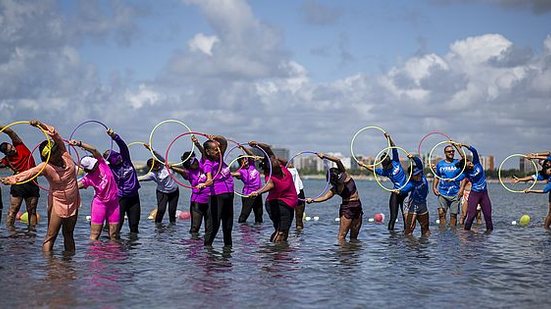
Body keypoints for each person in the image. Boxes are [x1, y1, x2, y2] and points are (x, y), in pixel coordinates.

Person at [0, 121, 80, 252]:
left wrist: (40, 124)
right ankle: (49, 269)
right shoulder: (45, 167)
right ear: (47, 158)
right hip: (58, 203)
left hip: (73, 202)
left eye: (56, 150)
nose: (56, 154)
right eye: (52, 154)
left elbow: (55, 134)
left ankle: (69, 267)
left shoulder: (65, 153)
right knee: (50, 236)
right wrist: (10, 179)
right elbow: (28, 173)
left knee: (69, 234)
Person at [306, 153, 363, 241]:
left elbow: (337, 160)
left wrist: (324, 156)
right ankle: (341, 253)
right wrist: (312, 200)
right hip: (347, 208)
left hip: (358, 206)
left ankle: (353, 254)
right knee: (342, 235)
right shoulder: (335, 189)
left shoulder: (345, 174)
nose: (341, 179)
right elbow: (325, 197)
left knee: (354, 235)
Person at [249, 141, 297, 243]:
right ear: (269, 167)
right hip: (277, 204)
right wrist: (258, 192)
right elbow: (269, 186)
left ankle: (277, 252)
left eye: (274, 159)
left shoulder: (283, 167)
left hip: (288, 204)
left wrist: (256, 144)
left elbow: (267, 148)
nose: (275, 160)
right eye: (272, 162)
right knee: (281, 231)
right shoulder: (270, 176)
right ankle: (276, 252)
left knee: (283, 230)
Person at [70, 140, 120, 240]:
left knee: (114, 235)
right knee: (95, 235)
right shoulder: (88, 178)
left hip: (114, 204)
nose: (96, 167)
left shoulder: (102, 163)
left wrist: (79, 144)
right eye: (93, 167)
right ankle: (95, 255)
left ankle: (114, 255)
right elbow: (74, 186)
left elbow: (94, 150)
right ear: (88, 170)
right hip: (100, 205)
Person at [360, 133, 407, 231]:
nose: (387, 168)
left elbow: (394, 147)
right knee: (393, 217)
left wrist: (389, 138)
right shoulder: (385, 171)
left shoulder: (396, 161)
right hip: (395, 192)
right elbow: (373, 170)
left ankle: (407, 236)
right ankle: (391, 239)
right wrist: (363, 165)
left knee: (405, 216)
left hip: (405, 192)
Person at [0, 124, 41, 229]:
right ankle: (10, 231)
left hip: (32, 182)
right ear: (6, 153)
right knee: (13, 210)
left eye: (12, 147)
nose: (13, 150)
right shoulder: (6, 160)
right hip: (18, 184)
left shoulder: (19, 145)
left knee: (32, 210)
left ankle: (32, 234)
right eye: (10, 151)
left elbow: (10, 132)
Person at [103, 129, 141, 235]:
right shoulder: (109, 169)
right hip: (120, 198)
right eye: (115, 159)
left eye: (118, 157)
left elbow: (123, 145)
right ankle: (114, 249)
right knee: (117, 226)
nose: (119, 159)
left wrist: (114, 136)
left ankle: (133, 250)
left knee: (134, 226)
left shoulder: (126, 160)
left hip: (134, 197)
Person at [171, 140, 212, 236]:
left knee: (209, 228)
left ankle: (207, 250)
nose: (195, 162)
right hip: (197, 202)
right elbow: (181, 171)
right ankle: (193, 248)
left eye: (195, 159)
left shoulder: (203, 165)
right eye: (192, 162)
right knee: (195, 228)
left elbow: (203, 153)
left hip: (210, 200)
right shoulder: (188, 173)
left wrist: (197, 144)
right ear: (188, 165)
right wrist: (171, 167)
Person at [201, 135, 234, 247]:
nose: (218, 151)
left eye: (219, 149)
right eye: (215, 150)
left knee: (228, 226)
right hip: (217, 196)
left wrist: (216, 137)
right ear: (208, 152)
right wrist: (206, 181)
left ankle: (227, 254)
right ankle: (207, 250)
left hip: (229, 195)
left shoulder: (220, 159)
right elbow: (209, 178)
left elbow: (224, 142)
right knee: (214, 226)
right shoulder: (208, 164)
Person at [454, 142, 493, 232]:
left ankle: (489, 235)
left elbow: (474, 151)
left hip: (484, 194)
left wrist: (464, 145)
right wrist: (448, 179)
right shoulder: (466, 173)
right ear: (465, 167)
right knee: (471, 216)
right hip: (474, 194)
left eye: (470, 162)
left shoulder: (477, 163)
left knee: (488, 216)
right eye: (468, 164)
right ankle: (466, 234)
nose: (471, 164)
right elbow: (455, 177)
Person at [138, 145, 179, 225]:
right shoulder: (152, 174)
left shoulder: (165, 165)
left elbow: (158, 155)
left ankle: (173, 230)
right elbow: (140, 178)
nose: (157, 167)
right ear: (151, 168)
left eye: (157, 165)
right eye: (154, 167)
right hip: (162, 193)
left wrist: (150, 149)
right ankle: (158, 228)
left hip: (174, 192)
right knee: (161, 210)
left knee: (172, 211)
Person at [514, 152, 551, 229]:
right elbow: (532, 178)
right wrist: (520, 180)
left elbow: (548, 154)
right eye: (547, 166)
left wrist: (535, 156)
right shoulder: (544, 175)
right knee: (550, 213)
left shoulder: (548, 161)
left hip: (536, 156)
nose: (549, 165)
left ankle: (546, 228)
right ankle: (546, 229)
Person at [396, 154, 430, 237]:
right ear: (411, 176)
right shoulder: (411, 184)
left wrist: (413, 158)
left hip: (423, 204)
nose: (418, 176)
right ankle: (409, 246)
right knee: (410, 228)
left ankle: (424, 246)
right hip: (412, 204)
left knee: (425, 228)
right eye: (416, 175)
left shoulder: (422, 176)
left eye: (419, 174)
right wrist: (398, 192)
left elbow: (419, 163)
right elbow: (403, 190)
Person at [432, 144, 465, 227]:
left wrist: (461, 189)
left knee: (453, 216)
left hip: (455, 193)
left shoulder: (458, 163)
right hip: (442, 193)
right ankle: (442, 233)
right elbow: (437, 176)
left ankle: (452, 234)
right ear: (445, 153)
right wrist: (434, 187)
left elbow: (464, 177)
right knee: (441, 214)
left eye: (452, 151)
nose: (451, 153)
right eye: (449, 151)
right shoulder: (440, 164)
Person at [231, 144, 263, 224]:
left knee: (259, 215)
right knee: (244, 215)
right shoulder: (241, 171)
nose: (245, 161)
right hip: (248, 195)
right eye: (243, 160)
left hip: (258, 193)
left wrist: (243, 148)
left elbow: (251, 155)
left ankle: (258, 233)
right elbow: (233, 174)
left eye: (246, 159)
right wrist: (225, 173)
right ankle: (242, 231)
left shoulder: (252, 165)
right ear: (240, 162)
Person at [287, 163, 305, 230]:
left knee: (299, 221)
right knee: (285, 220)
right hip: (287, 194)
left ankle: (299, 237)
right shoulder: (277, 171)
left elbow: (288, 163)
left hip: (299, 192)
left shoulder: (291, 167)